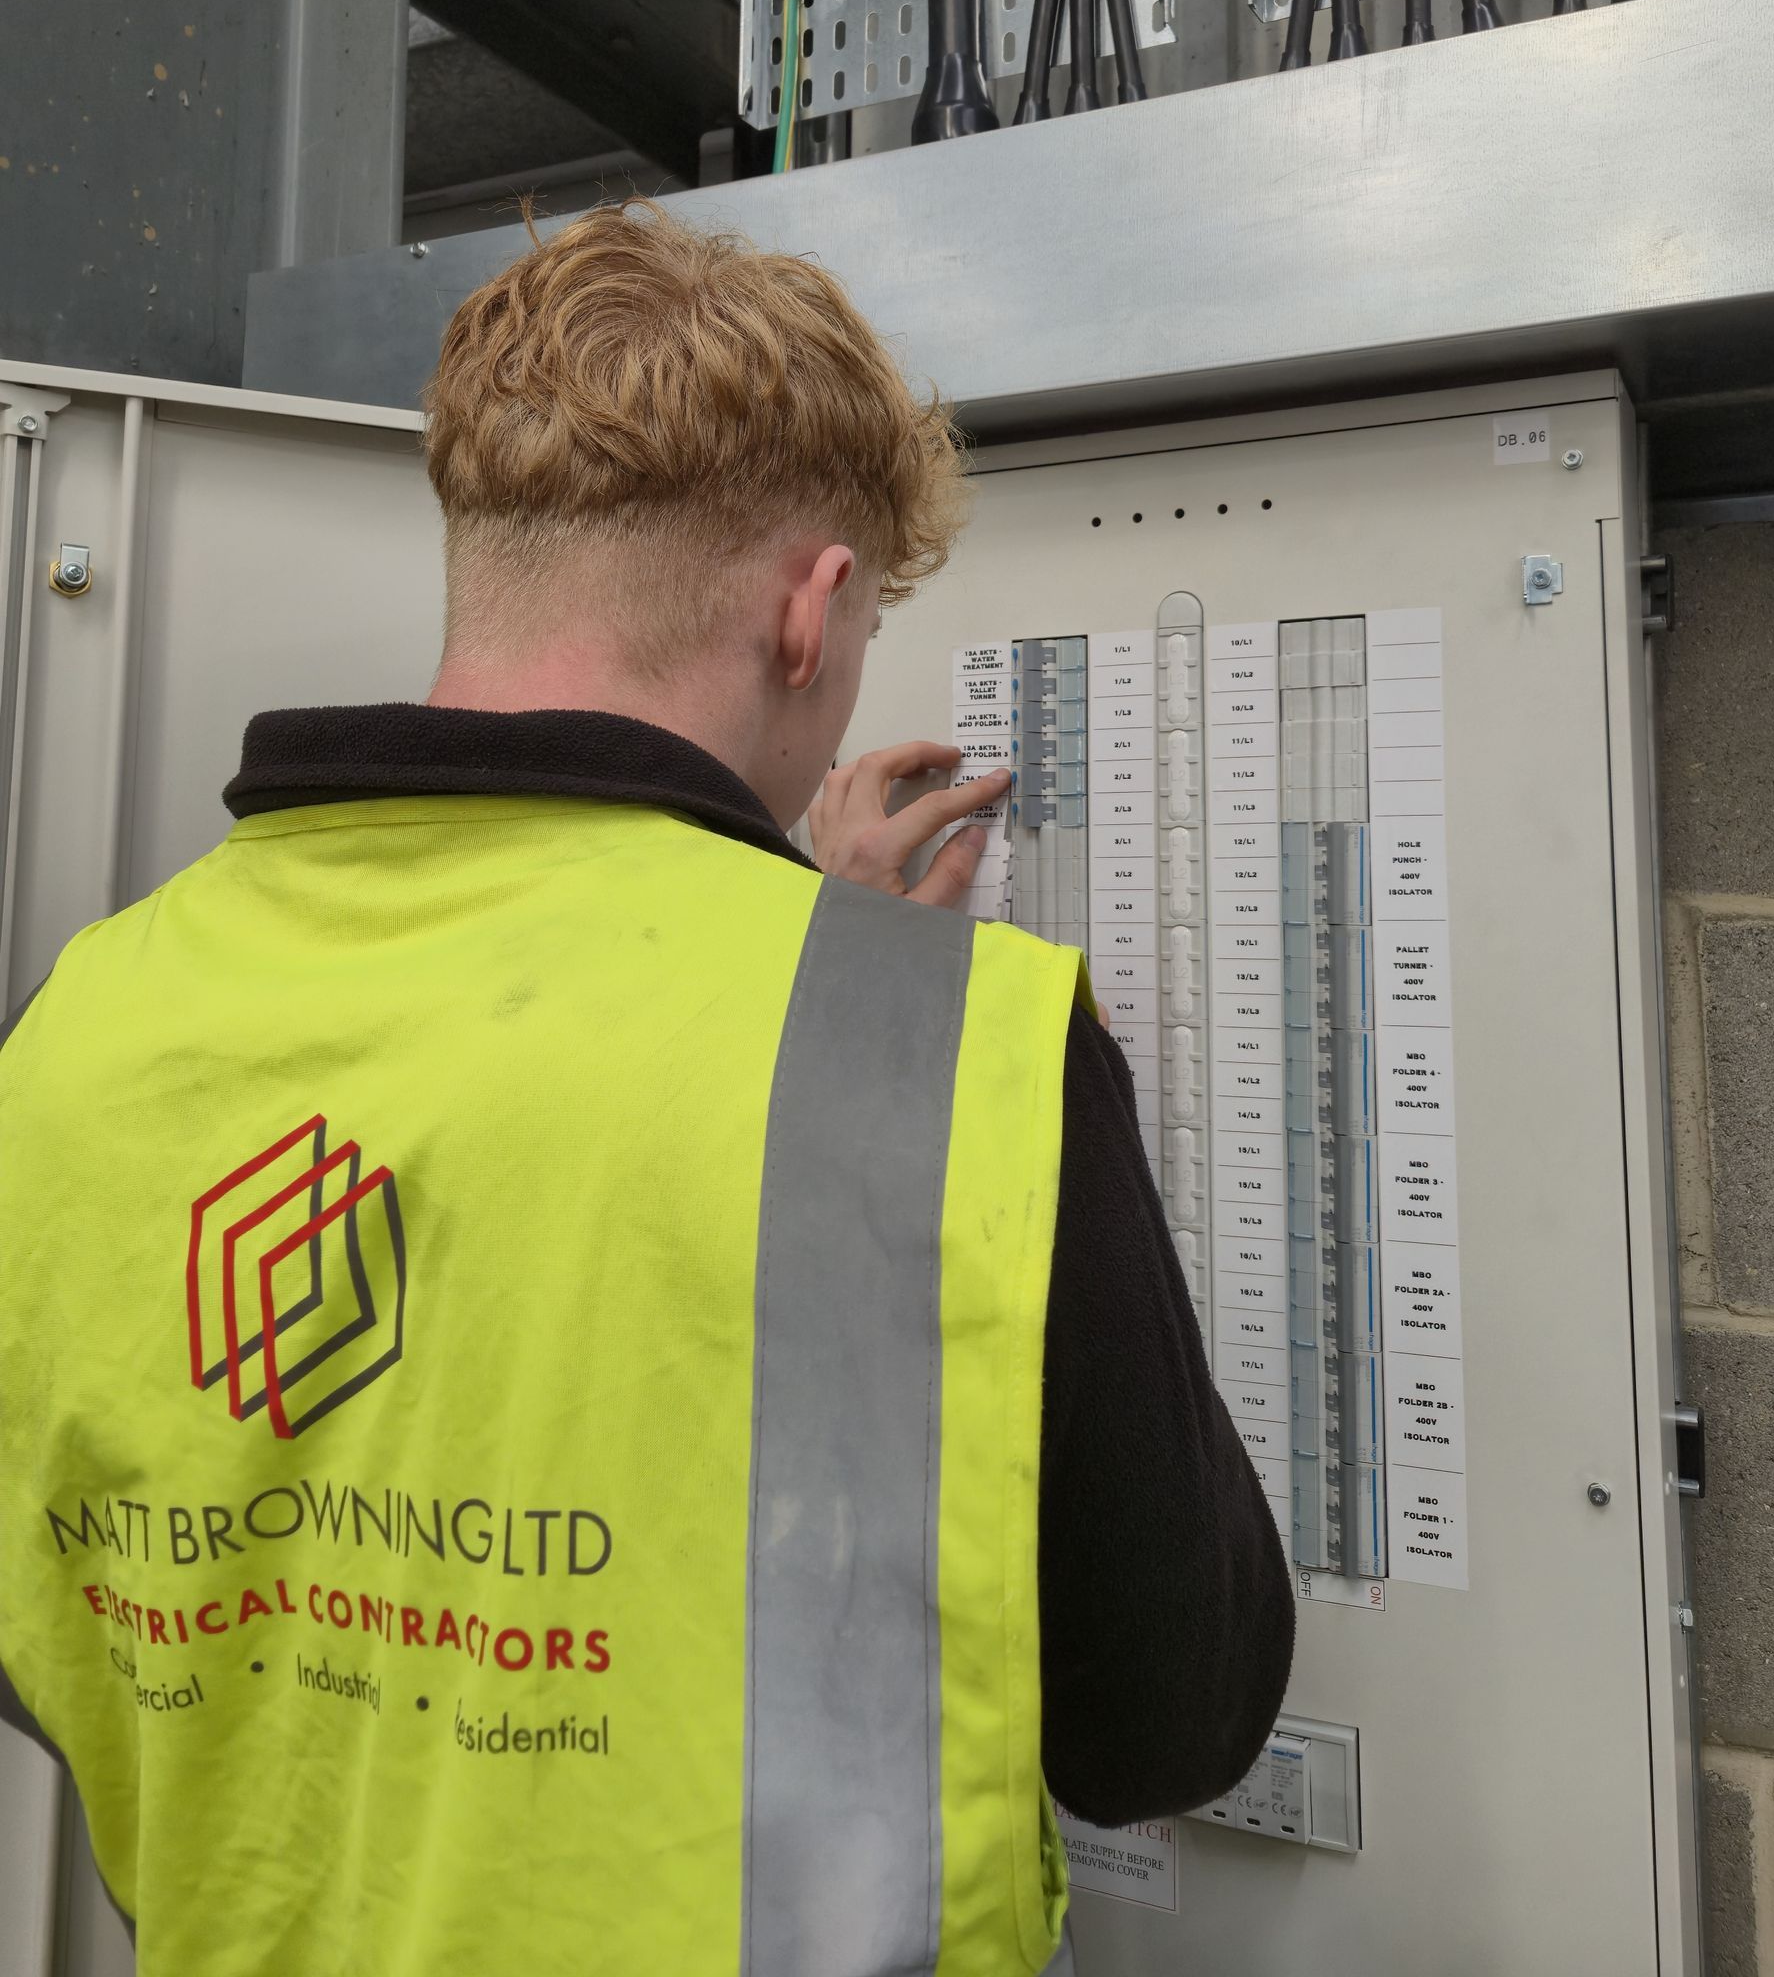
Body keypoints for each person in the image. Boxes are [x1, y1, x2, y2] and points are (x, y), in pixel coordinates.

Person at [0, 204, 1290, 1975]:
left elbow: (42, 1636)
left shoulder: (81, 1031)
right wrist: (853, 995)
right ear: (811, 611)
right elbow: (1168, 1720)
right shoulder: (954, 1056)